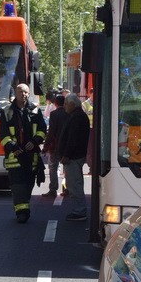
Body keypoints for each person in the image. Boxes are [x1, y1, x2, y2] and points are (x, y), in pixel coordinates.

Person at [0, 83, 46, 223]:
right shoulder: (6, 112)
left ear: (28, 94)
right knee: (18, 185)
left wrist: (35, 141)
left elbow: (43, 129)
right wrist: (13, 147)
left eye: (25, 92)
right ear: (15, 94)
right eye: (20, 92)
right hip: (15, 156)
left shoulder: (36, 110)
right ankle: (21, 213)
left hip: (32, 156)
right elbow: (3, 134)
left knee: (29, 184)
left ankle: (24, 205)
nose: (23, 94)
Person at [56, 93, 90, 222]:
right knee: (74, 183)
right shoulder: (77, 116)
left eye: (65, 103)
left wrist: (66, 155)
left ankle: (79, 211)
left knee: (74, 184)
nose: (64, 106)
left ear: (72, 104)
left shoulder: (76, 117)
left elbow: (72, 138)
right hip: (75, 155)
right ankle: (78, 210)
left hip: (73, 157)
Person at [41, 93, 68, 198]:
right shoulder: (69, 114)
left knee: (53, 167)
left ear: (55, 103)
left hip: (55, 146)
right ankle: (67, 189)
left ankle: (53, 189)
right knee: (67, 168)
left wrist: (45, 147)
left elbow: (51, 132)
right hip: (66, 146)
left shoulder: (54, 114)